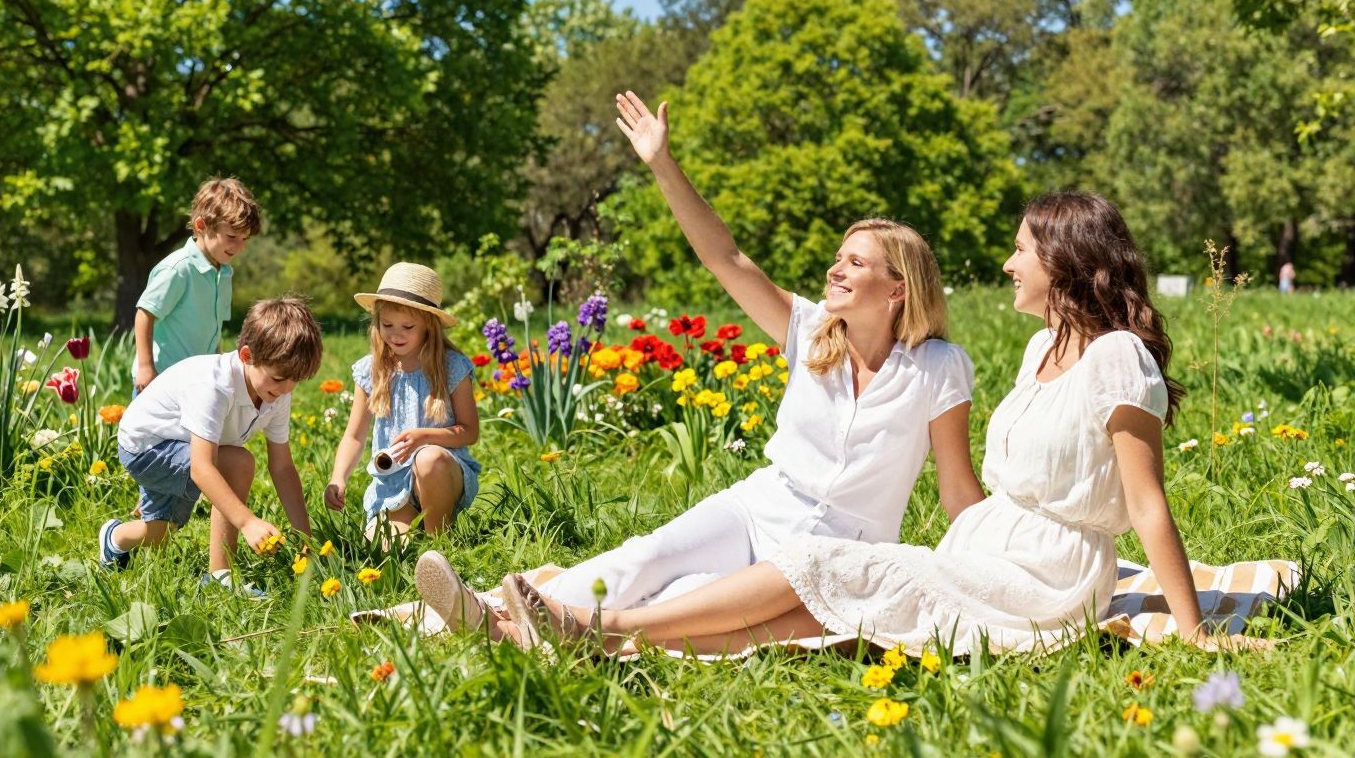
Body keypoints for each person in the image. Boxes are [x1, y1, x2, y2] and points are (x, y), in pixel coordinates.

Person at [496, 191, 1259, 655]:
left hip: (1046, 581)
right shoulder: (1039, 349)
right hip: (984, 549)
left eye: (1021, 250)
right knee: (814, 606)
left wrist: (1191, 628)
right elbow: (980, 493)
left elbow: (1146, 502)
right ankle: (591, 633)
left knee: (824, 571)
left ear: (1064, 259)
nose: (1006, 264)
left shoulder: (1118, 357)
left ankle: (600, 626)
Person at [413, 91, 982, 636]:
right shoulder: (810, 330)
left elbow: (956, 488)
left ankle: (546, 627)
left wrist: (990, 576)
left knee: (691, 600)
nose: (835, 269)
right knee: (647, 557)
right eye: (838, 257)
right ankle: (495, 619)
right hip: (763, 505)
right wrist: (662, 163)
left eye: (855, 263)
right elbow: (726, 257)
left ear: (898, 289)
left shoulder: (938, 367)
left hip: (840, 549)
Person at [100, 296, 322, 595]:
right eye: (280, 378)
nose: (287, 389)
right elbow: (202, 469)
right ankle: (221, 579)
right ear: (246, 356)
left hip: (179, 443)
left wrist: (306, 540)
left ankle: (114, 539)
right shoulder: (214, 386)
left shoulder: (276, 392)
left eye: (296, 380)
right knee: (239, 463)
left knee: (163, 532)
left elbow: (282, 466)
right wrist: (247, 522)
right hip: (146, 448)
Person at [324, 263, 481, 538]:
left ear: (429, 327)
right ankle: (411, 531)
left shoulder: (452, 367)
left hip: (441, 474)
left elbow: (469, 432)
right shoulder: (372, 370)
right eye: (387, 325)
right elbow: (354, 436)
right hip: (393, 484)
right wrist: (338, 478)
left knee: (428, 458)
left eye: (408, 326)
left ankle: (439, 540)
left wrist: (425, 437)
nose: (396, 334)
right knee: (385, 550)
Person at [133, 177, 261, 393]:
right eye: (231, 236)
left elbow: (214, 328)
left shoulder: (224, 272)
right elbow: (144, 314)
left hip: (197, 382)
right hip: (160, 380)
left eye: (244, 239)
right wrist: (146, 368)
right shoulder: (178, 269)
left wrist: (218, 366)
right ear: (201, 226)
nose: (239, 246)